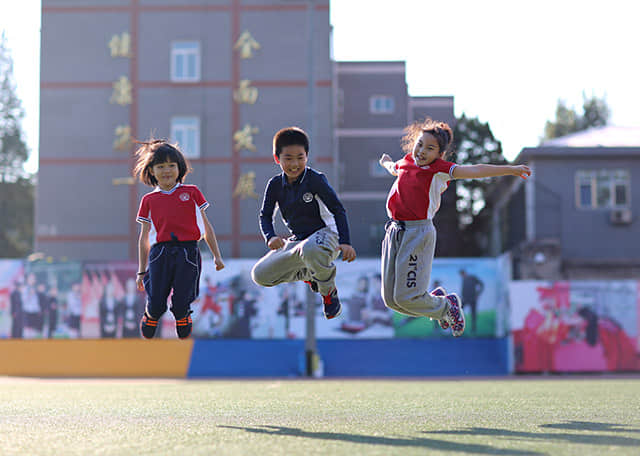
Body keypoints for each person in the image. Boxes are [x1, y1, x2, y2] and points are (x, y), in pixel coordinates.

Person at [379, 118, 531, 337]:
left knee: (405, 298)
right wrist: (385, 162)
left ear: (439, 155)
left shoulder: (439, 169)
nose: (422, 151)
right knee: (392, 301)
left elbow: (477, 170)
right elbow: (394, 168)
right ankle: (441, 303)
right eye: (420, 144)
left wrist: (511, 169)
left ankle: (446, 307)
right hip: (393, 232)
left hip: (416, 233)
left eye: (430, 149)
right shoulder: (407, 161)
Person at [251, 127, 356, 319]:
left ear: (307, 156)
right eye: (288, 158)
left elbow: (338, 209)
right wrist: (270, 237)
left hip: (327, 236)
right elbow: (265, 216)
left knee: (310, 249)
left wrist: (346, 242)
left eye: (300, 157)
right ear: (277, 158)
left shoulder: (315, 180)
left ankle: (328, 292)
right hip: (298, 242)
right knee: (260, 274)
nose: (294, 164)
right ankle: (312, 275)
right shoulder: (274, 185)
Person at [133, 139, 225, 339]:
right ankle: (151, 314)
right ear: (151, 171)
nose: (167, 170)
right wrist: (141, 271)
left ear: (180, 168)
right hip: (160, 253)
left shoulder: (191, 193)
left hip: (188, 251)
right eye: (161, 166)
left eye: (171, 165)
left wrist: (217, 256)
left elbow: (207, 226)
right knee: (157, 301)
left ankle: (182, 315)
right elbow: (143, 238)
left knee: (183, 298)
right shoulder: (148, 200)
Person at [459, 269, 484, 334]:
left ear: (464, 273)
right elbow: (464, 290)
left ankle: (473, 329)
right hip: (465, 299)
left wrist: (478, 294)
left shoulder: (472, 278)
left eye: (462, 274)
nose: (462, 276)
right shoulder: (464, 280)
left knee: (473, 314)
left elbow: (481, 284)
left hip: (472, 299)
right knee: (460, 312)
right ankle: (459, 327)